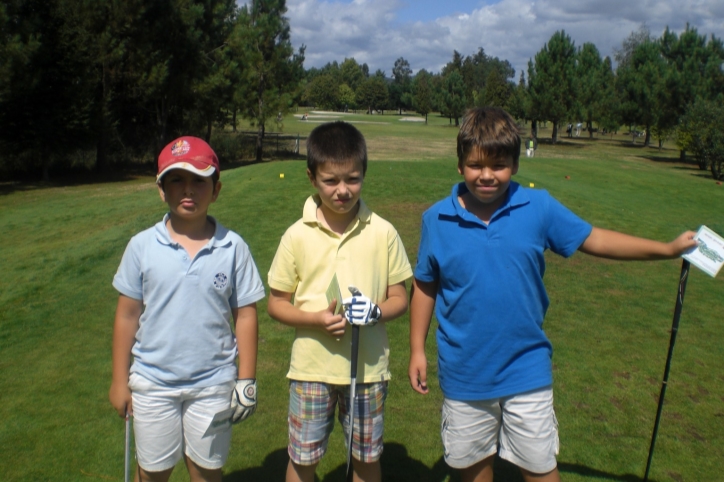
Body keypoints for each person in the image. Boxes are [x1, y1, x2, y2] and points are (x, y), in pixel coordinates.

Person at [407, 107, 698, 482]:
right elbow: (425, 284)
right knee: (474, 471)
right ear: (460, 164)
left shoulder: (538, 206)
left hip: (526, 367)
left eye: (498, 165)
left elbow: (596, 239)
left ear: (515, 162)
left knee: (541, 469)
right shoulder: (437, 219)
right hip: (465, 373)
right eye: (476, 165)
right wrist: (417, 349)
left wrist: (665, 249)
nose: (486, 175)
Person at [109, 136, 265, 482]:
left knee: (207, 472)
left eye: (199, 180)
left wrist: (246, 379)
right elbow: (127, 314)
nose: (188, 189)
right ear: (161, 189)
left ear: (217, 188)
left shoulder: (233, 247)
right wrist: (120, 380)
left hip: (213, 383)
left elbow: (245, 315)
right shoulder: (142, 246)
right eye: (176, 180)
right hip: (152, 382)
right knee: (152, 472)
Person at [267, 121, 413, 482]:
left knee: (365, 458)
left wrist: (377, 311)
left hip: (367, 371)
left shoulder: (382, 231)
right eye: (331, 181)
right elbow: (276, 303)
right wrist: (315, 319)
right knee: (303, 460)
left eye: (353, 179)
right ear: (312, 178)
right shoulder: (296, 234)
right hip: (311, 369)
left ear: (364, 174)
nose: (343, 190)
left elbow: (400, 297)